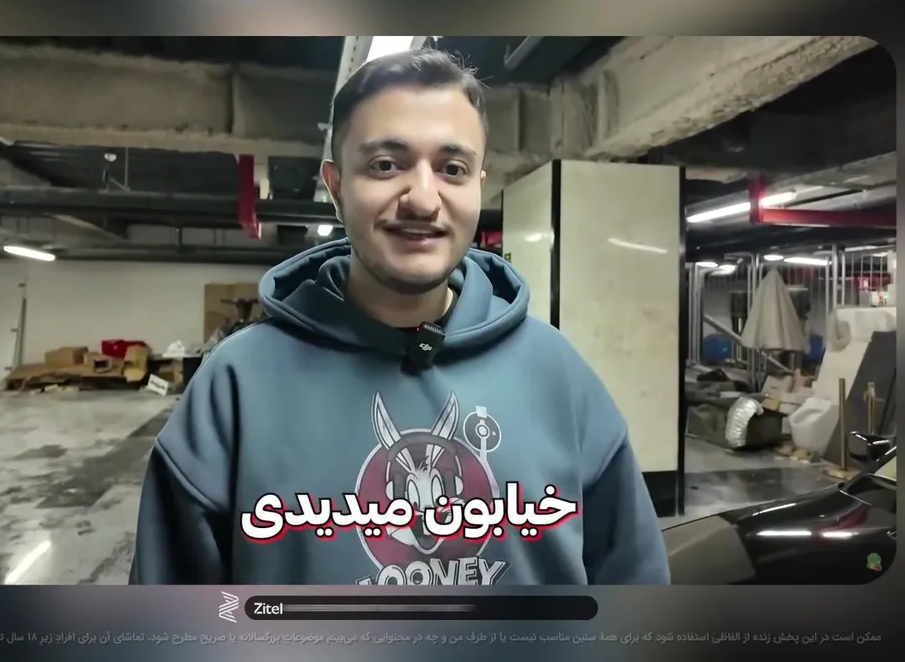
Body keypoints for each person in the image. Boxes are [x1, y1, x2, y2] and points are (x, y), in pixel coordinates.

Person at [129, 49, 670, 585]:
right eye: (386, 165)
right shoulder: (235, 387)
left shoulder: (557, 375)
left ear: (479, 187)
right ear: (336, 186)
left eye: (453, 169)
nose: (423, 199)